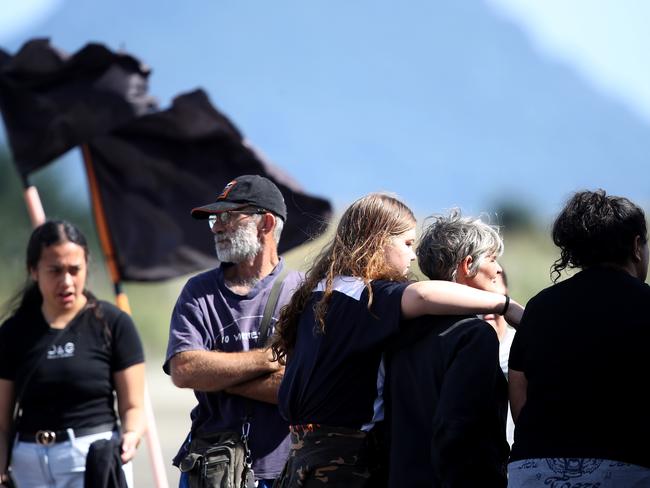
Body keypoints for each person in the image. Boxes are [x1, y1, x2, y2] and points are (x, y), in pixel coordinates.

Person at [271, 194, 523, 487]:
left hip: (303, 459)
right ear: (376, 242)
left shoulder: (321, 293)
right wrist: (504, 305)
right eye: (406, 243)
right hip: (343, 463)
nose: (413, 255)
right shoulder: (364, 298)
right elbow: (424, 295)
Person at [164, 175, 304, 488]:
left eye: (228, 216)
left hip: (285, 474)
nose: (216, 227)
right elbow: (184, 370)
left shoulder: (303, 294)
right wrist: (269, 359)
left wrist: (217, 375)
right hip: (209, 470)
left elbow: (297, 390)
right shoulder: (198, 291)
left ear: (265, 224)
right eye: (215, 218)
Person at [508, 189, 650, 486]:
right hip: (627, 469)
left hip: (535, 469)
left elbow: (519, 395)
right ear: (637, 246)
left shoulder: (539, 306)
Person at [0, 220, 145, 488]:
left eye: (74, 270)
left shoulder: (114, 324)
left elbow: (133, 406)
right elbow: (2, 423)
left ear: (86, 266)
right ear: (33, 271)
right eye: (54, 270)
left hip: (91, 460)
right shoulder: (12, 332)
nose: (66, 281)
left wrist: (132, 435)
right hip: (27, 466)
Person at [386, 209, 510, 487]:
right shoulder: (473, 335)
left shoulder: (401, 330)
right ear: (468, 265)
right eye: (492, 258)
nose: (499, 268)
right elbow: (459, 431)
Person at [483, 269, 517, 446]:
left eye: (494, 299)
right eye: (481, 298)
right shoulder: (455, 349)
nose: (488, 307)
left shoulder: (520, 346)